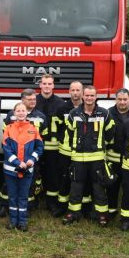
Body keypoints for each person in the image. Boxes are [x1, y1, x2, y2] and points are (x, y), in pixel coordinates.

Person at [64, 85, 115, 226]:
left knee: (99, 188)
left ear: (96, 97)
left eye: (92, 95)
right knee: (76, 187)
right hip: (78, 158)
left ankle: (102, 215)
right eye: (87, 95)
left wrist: (100, 145)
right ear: (82, 96)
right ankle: (73, 213)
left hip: (97, 158)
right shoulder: (74, 113)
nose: (89, 98)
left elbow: (110, 132)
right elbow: (69, 132)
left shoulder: (104, 114)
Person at [2, 103, 43, 231]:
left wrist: (32, 159)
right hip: (11, 170)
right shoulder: (9, 128)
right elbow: (6, 148)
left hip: (27, 170)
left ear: (27, 113)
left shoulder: (33, 129)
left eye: (23, 110)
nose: (21, 113)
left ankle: (23, 221)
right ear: (14, 113)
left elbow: (39, 147)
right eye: (18, 111)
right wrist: (17, 162)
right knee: (12, 196)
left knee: (24, 196)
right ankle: (13, 220)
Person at [36, 74, 71, 216]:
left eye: (49, 84)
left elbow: (64, 126)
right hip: (36, 146)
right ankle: (33, 200)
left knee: (53, 175)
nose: (47, 86)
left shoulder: (61, 104)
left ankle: (52, 203)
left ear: (53, 85)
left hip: (53, 147)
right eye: (44, 83)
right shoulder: (33, 101)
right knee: (33, 173)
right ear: (40, 85)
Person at [106, 88, 129, 223]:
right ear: (115, 100)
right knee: (112, 186)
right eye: (119, 99)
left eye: (125, 99)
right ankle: (111, 211)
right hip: (113, 157)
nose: (122, 102)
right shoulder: (108, 114)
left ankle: (127, 214)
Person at [57, 81, 83, 217]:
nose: (75, 93)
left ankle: (83, 208)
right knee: (64, 178)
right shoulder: (62, 108)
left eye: (78, 90)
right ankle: (62, 206)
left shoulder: (88, 108)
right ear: (69, 92)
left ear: (82, 92)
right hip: (66, 150)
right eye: (73, 90)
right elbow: (58, 127)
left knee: (80, 180)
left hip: (82, 152)